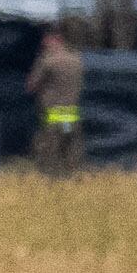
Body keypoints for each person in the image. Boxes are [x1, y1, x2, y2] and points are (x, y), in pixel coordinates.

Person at [28, 22, 86, 172]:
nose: (43, 42)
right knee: (70, 152)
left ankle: (51, 187)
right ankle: (73, 184)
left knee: (48, 153)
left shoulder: (47, 60)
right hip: (71, 114)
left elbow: (31, 86)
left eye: (46, 39)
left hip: (53, 115)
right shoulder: (77, 59)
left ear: (55, 39)